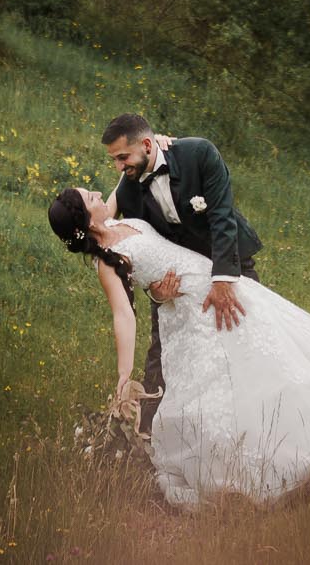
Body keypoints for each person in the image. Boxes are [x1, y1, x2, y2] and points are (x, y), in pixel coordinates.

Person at [45, 184, 310, 507]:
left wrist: (155, 143)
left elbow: (126, 172)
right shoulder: (106, 262)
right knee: (220, 390)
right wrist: (123, 375)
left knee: (272, 356)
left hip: (214, 285)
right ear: (86, 219)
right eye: (91, 197)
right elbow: (123, 315)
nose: (99, 193)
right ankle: (256, 472)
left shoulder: (118, 220)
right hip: (191, 315)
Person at [100, 113, 262, 434]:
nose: (119, 167)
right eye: (114, 160)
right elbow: (140, 250)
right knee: (162, 351)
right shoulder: (129, 189)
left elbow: (222, 215)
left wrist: (222, 280)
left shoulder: (199, 154)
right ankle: (146, 434)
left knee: (248, 334)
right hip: (176, 280)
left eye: (122, 157)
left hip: (228, 262)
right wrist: (156, 292)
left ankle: (256, 420)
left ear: (147, 144)